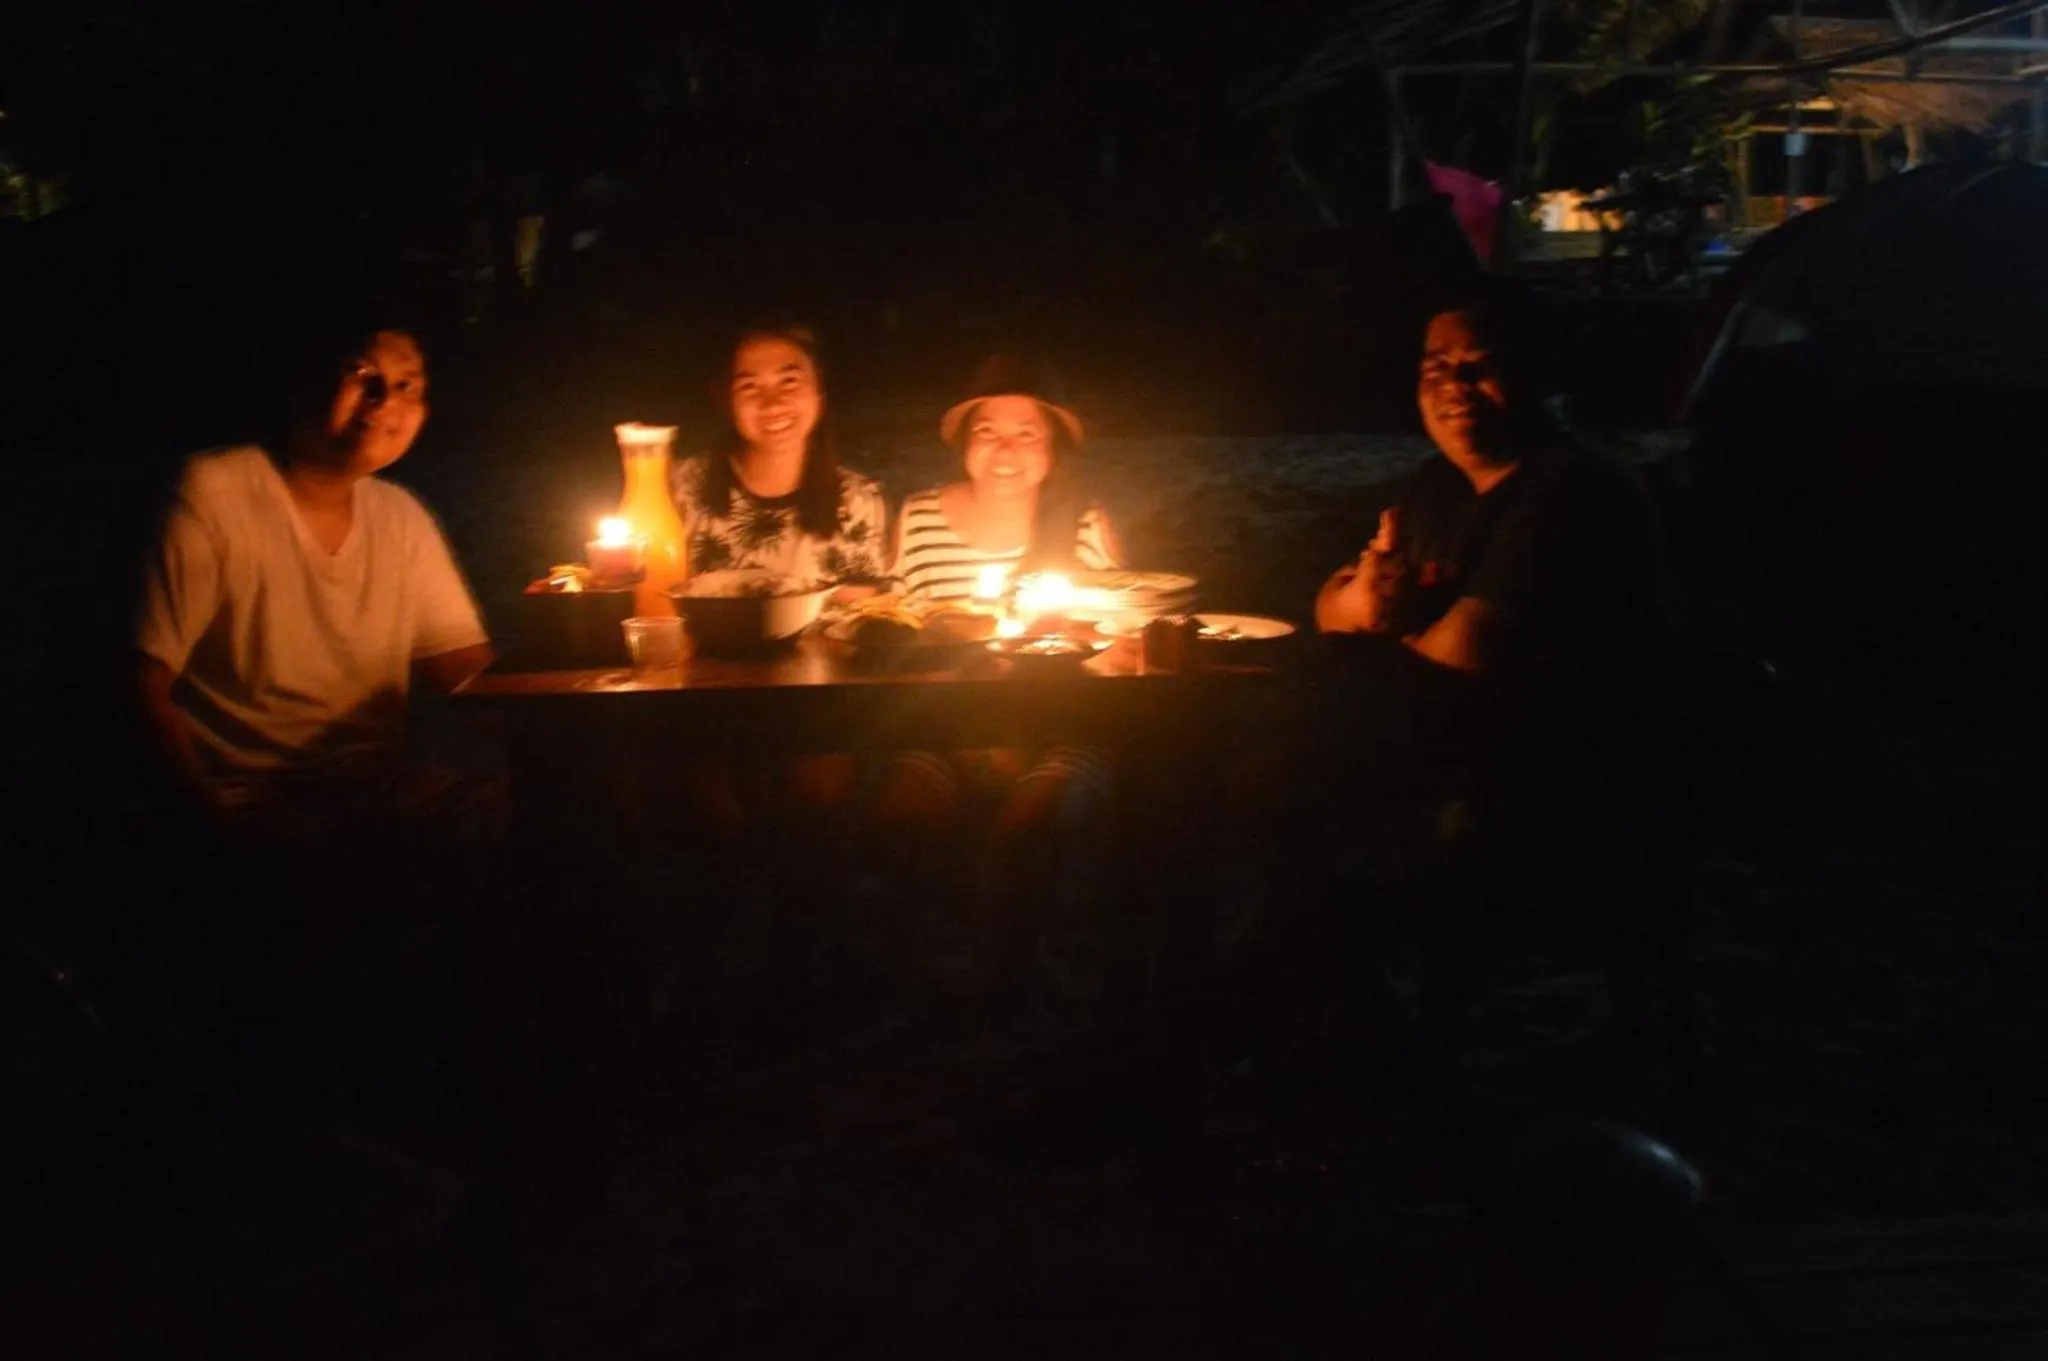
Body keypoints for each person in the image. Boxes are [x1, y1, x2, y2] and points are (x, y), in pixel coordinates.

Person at [131, 310, 502, 1124]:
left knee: (536, 830)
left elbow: (472, 677)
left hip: (376, 785)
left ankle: (491, 1083)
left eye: (407, 386)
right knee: (323, 909)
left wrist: (591, 632)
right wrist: (214, 822)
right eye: (361, 375)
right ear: (304, 379)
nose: (384, 401)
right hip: (253, 795)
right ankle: (310, 1118)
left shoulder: (400, 518)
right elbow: (140, 682)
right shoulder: (217, 492)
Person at [1304, 300, 1685, 1061]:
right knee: (1278, 790)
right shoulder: (1436, 486)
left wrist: (1379, 629)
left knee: (1313, 808)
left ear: (1535, 376)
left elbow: (1465, 656)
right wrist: (1365, 601)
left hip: (1565, 787)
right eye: (1436, 368)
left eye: (1479, 367)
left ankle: (1361, 1028)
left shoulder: (1573, 492)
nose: (1454, 385)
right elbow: (1329, 608)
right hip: (1451, 752)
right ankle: (1332, 1007)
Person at [862, 354, 1124, 1012]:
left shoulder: (1082, 522)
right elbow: (896, 623)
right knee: (901, 815)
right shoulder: (920, 518)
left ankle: (1008, 982)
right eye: (988, 431)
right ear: (962, 443)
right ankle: (914, 982)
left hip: (1061, 727)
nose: (1006, 450)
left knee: (1024, 829)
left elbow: (1119, 637)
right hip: (945, 726)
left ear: (1053, 447)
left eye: (1026, 433)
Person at [670, 324, 888, 592]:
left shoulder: (857, 502)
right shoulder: (677, 490)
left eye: (789, 381)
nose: (773, 403)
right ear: (726, 400)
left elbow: (862, 608)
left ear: (819, 390)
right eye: (749, 386)